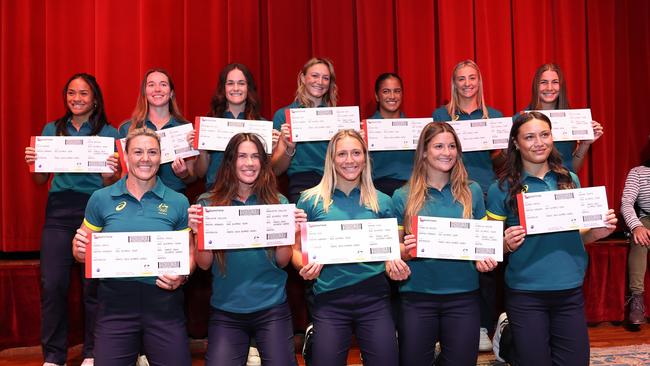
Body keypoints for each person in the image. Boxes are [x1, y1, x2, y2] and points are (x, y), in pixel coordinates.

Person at [487, 112, 617, 365]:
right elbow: (490, 246)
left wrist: (597, 232)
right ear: (516, 142)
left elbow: (580, 236)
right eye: (529, 137)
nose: (539, 142)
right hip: (526, 292)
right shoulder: (500, 188)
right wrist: (505, 243)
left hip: (569, 288)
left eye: (544, 135)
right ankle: (508, 337)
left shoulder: (569, 179)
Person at [72, 128, 194, 365]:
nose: (145, 158)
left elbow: (188, 252)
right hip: (115, 304)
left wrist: (182, 275)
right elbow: (81, 248)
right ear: (126, 157)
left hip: (164, 303)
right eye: (137, 152)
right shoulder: (100, 198)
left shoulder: (178, 201)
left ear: (161, 157)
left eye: (152, 152)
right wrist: (78, 251)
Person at [24, 73, 120, 366]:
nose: (77, 99)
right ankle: (54, 356)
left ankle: (92, 353)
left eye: (83, 93)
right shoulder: (52, 129)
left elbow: (112, 184)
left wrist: (111, 174)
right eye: (71, 93)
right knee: (52, 284)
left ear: (95, 99)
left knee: (93, 285)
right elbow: (41, 180)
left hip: (95, 209)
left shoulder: (109, 132)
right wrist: (34, 162)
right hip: (58, 211)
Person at [188, 132, 304, 366]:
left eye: (255, 157)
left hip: (272, 308)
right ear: (230, 161)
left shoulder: (277, 203)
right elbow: (203, 264)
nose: (249, 163)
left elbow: (282, 261)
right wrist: (199, 233)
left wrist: (289, 231)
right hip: (226, 310)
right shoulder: (207, 203)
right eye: (242, 156)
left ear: (263, 163)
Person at [391, 122, 498, 365]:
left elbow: (484, 244)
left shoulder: (472, 192)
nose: (446, 152)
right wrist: (405, 252)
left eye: (452, 146)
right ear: (424, 152)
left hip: (463, 297)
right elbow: (393, 251)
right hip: (417, 297)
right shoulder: (402, 196)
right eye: (438, 146)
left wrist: (485, 259)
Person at [292, 129, 399, 366]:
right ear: (331, 159)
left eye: (356, 153)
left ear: (365, 158)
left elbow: (391, 252)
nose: (349, 160)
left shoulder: (383, 201)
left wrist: (396, 263)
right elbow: (297, 250)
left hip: (375, 298)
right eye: (341, 154)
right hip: (330, 300)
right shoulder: (310, 201)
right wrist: (304, 265)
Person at [432, 59, 502, 350]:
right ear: (454, 83)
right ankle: (444, 328)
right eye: (461, 79)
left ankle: (486, 325)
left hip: (484, 195)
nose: (467, 83)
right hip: (451, 192)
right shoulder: (440, 114)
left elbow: (500, 158)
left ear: (479, 81)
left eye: (472, 78)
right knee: (451, 256)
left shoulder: (495, 115)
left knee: (485, 262)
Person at [191, 63, 276, 190]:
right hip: (216, 193)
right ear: (223, 88)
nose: (236, 88)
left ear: (248, 88)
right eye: (230, 83)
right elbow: (200, 173)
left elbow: (268, 170)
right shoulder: (209, 124)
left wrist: (272, 150)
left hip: (252, 193)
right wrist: (201, 151)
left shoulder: (261, 125)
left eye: (241, 83)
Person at [118, 68, 195, 193]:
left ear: (171, 93)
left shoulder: (185, 128)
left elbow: (193, 177)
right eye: (151, 85)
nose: (157, 89)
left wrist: (184, 174)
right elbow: (124, 173)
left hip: (173, 199)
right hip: (136, 198)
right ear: (145, 92)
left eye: (163, 84)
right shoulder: (128, 128)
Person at [272, 57, 338, 203]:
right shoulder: (284, 115)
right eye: (314, 76)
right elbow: (276, 170)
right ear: (303, 78)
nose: (320, 82)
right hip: (302, 184)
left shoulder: (338, 117)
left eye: (325, 78)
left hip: (336, 183)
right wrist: (288, 146)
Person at [525, 63, 604, 172]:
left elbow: (573, 170)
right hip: (532, 186)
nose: (549, 88)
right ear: (535, 86)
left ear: (561, 86)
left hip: (564, 185)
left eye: (555, 82)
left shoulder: (573, 120)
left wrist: (584, 144)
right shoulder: (521, 120)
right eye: (543, 82)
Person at [368, 72, 413, 196]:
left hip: (410, 190)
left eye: (397, 91)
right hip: (376, 191)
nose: (392, 96)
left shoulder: (416, 128)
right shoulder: (366, 129)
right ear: (377, 96)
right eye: (386, 91)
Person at [621, 154, 650, 324]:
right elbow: (626, 203)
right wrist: (636, 226)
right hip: (646, 219)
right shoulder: (638, 172)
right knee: (640, 239)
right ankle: (637, 300)